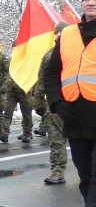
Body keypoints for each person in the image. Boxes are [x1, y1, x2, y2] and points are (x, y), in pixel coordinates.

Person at [43, 0, 96, 207]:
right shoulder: (68, 35)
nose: (90, 2)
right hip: (74, 116)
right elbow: (51, 74)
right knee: (85, 176)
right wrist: (58, 103)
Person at [33, 22, 70, 184]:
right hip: (54, 104)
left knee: (83, 141)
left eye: (63, 32)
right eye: (57, 32)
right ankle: (57, 171)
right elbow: (42, 80)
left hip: (78, 103)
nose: (60, 34)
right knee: (55, 140)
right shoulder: (48, 56)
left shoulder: (79, 51)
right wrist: (38, 102)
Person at [4, 75, 34, 143]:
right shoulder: (11, 64)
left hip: (25, 90)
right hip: (11, 90)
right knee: (7, 112)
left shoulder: (27, 64)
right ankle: (5, 133)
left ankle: (27, 133)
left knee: (27, 114)